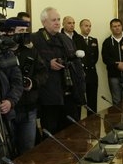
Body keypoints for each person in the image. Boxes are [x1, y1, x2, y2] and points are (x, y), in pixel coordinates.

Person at [31, 7, 86, 135]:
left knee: (72, 132)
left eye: (58, 19)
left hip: (69, 93)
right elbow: (31, 63)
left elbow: (75, 63)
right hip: (49, 96)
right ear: (44, 22)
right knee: (51, 133)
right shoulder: (35, 39)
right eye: (53, 20)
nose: (57, 23)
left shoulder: (66, 39)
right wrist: (47, 64)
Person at [11, 22, 48, 154]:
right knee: (10, 150)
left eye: (26, 31)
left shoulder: (31, 51)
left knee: (28, 150)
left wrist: (33, 83)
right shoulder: (3, 53)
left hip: (29, 108)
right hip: (9, 108)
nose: (24, 34)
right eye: (20, 31)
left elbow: (43, 72)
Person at [101, 18, 123, 106]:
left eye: (119, 26)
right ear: (111, 28)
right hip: (113, 76)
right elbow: (105, 58)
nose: (117, 28)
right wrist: (116, 65)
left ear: (122, 26)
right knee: (116, 100)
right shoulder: (107, 42)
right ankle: (118, 116)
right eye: (114, 26)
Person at [74, 18, 99, 115]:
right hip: (80, 73)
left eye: (90, 26)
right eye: (86, 26)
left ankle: (92, 121)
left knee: (92, 100)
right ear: (80, 27)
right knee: (79, 100)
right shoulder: (75, 39)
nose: (88, 28)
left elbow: (95, 57)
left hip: (92, 73)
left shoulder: (94, 40)